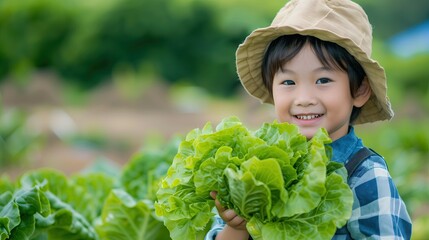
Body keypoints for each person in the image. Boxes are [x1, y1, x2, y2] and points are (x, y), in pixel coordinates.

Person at [204, 0, 412, 239]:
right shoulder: (253, 167)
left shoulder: (365, 176)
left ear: (359, 90)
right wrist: (236, 227)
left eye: (323, 80)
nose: (303, 99)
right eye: (288, 82)